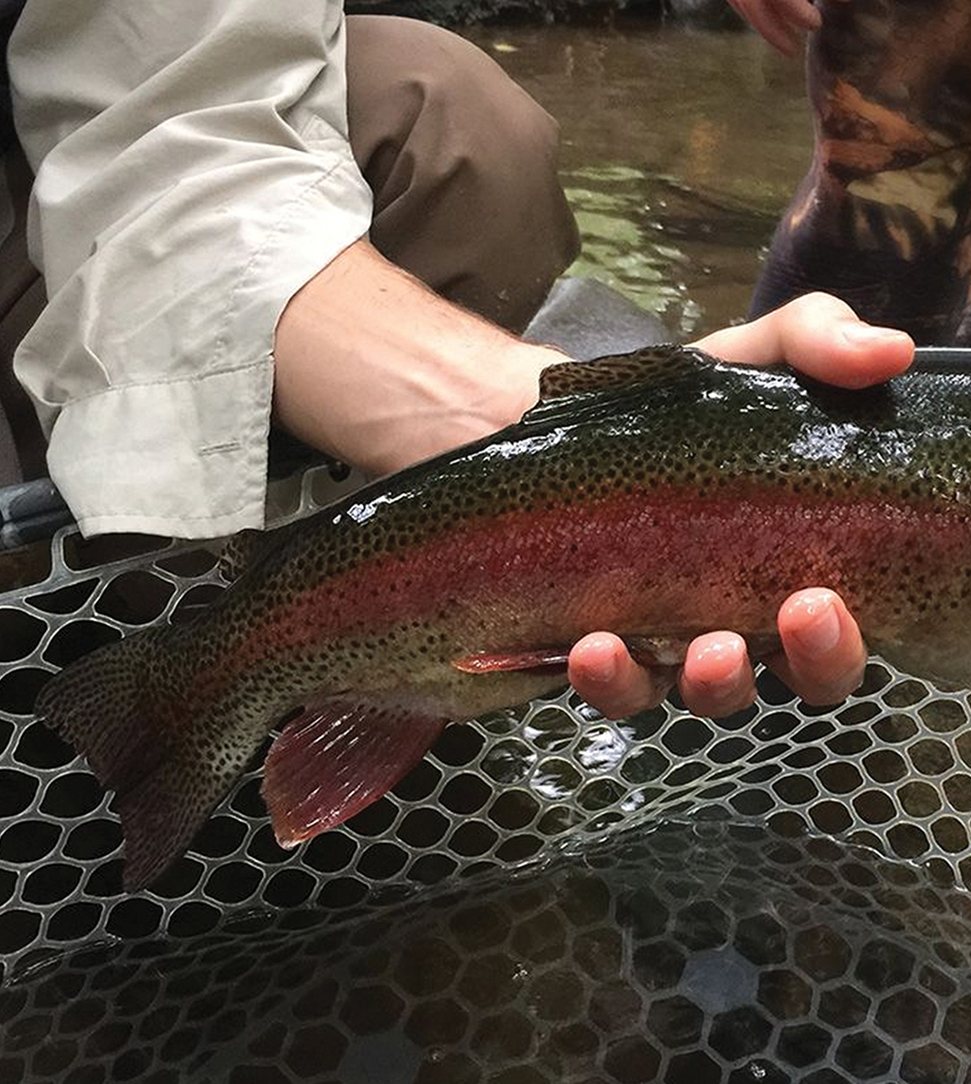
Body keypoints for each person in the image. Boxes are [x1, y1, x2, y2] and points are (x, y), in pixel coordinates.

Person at [0, 1, 912, 720]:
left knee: (455, 123)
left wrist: (512, 416)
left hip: (99, 116)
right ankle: (165, 628)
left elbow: (168, 96)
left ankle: (369, 641)